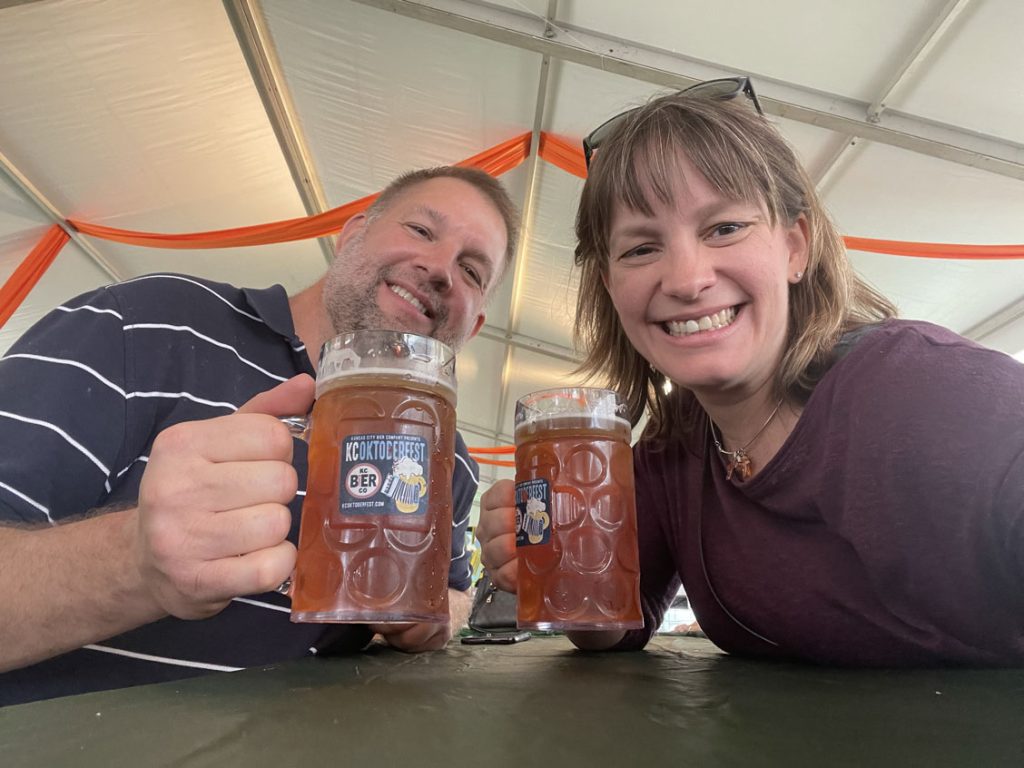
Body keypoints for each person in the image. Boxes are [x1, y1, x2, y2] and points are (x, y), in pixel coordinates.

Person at [478, 78, 1024, 665]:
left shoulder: (928, 392)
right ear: (611, 285)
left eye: (724, 228)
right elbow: (616, 622)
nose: (687, 280)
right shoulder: (669, 451)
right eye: (640, 248)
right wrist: (556, 566)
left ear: (795, 246)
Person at [0, 165, 520, 704]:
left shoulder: (448, 457)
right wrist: (134, 561)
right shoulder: (147, 325)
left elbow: (454, 592)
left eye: (471, 271)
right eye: (421, 230)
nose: (441, 270)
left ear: (475, 326)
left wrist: (434, 614)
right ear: (351, 235)